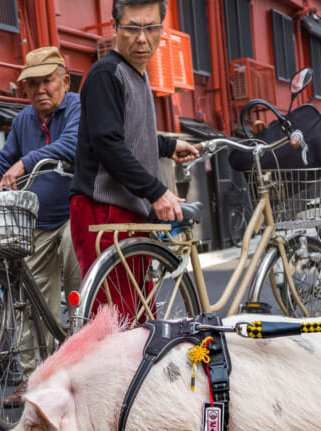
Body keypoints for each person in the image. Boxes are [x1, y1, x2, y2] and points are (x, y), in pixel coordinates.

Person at [69, 0, 200, 320]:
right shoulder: (106, 74)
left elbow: (131, 137)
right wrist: (156, 190)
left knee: (139, 314)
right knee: (115, 321)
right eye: (131, 27)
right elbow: (108, 144)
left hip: (126, 208)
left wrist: (168, 145)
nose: (142, 38)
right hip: (102, 208)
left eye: (151, 27)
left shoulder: (137, 75)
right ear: (114, 28)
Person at [0, 46, 81, 406]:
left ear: (64, 79)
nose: (39, 89)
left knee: (81, 293)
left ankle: (84, 372)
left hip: (75, 213)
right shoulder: (22, 121)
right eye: (31, 84)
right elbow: (3, 159)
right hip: (37, 219)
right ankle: (36, 378)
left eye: (47, 80)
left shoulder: (78, 106)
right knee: (32, 302)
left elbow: (72, 144)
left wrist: (26, 162)